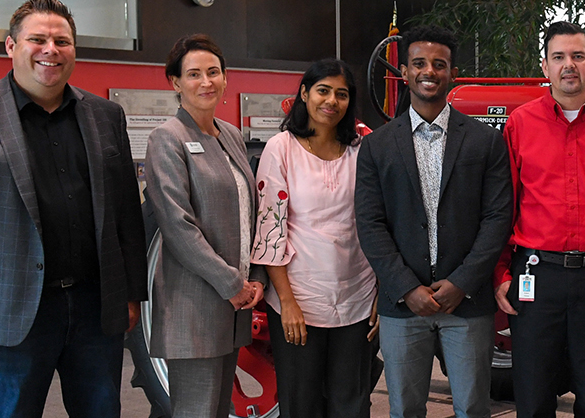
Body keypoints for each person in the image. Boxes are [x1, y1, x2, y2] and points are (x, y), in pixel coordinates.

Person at [0, 0, 146, 417]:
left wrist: (129, 293)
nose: (51, 50)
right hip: (11, 308)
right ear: (11, 46)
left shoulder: (107, 115)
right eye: (38, 39)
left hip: (95, 308)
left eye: (63, 41)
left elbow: (127, 213)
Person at [355, 25, 513, 418]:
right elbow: (370, 223)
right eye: (419, 63)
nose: (429, 71)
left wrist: (461, 282)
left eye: (439, 64)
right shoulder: (376, 144)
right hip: (402, 304)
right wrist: (407, 287)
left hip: (466, 303)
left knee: (473, 408)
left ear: (452, 73)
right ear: (405, 72)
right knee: (404, 409)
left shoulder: (484, 141)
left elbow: (497, 218)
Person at [492, 21, 585, 418]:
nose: (568, 65)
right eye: (559, 57)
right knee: (534, 399)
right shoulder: (521, 123)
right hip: (536, 277)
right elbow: (505, 205)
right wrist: (502, 272)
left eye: (577, 56)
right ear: (545, 66)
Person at [144, 34, 265, 418]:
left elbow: (250, 212)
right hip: (195, 305)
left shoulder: (229, 134)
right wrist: (231, 283)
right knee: (196, 410)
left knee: (217, 409)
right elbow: (178, 225)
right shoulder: (167, 138)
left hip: (235, 304)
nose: (206, 81)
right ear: (175, 82)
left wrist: (255, 276)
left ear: (226, 78)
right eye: (193, 74)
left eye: (213, 72)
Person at [251, 58, 379, 418]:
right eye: (323, 90)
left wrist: (383, 290)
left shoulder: (362, 148)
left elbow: (379, 221)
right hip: (299, 300)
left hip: (357, 298)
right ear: (305, 94)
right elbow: (271, 230)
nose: (331, 101)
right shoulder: (282, 148)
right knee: (301, 404)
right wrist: (288, 302)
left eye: (341, 94)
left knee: (352, 404)